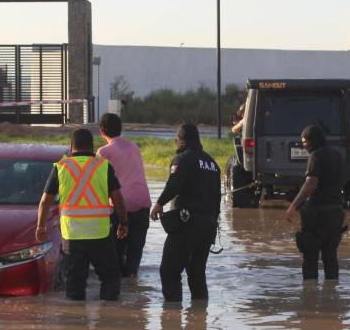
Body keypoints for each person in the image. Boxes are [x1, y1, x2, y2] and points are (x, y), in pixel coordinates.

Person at [36, 128, 129, 301]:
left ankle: (75, 322)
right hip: (100, 234)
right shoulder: (103, 166)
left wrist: (41, 226)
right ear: (92, 147)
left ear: (71, 146)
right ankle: (107, 319)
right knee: (110, 277)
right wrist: (123, 222)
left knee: (74, 282)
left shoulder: (61, 167)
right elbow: (118, 199)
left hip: (72, 235)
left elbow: (44, 202)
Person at [150, 124, 221, 302]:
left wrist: (159, 204)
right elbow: (217, 198)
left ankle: (172, 320)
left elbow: (173, 185)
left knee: (169, 271)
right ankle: (199, 321)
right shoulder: (212, 163)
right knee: (197, 274)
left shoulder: (182, 159)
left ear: (181, 139)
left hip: (187, 225)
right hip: (208, 227)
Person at [285, 124, 347, 281]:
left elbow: (310, 184)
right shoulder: (337, 155)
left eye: (304, 141)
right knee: (330, 255)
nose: (303, 145)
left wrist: (293, 205)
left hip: (318, 214)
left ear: (313, 141)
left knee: (310, 256)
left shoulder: (315, 156)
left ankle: (309, 298)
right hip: (336, 212)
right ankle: (332, 296)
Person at [97, 113, 151, 277]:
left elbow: (99, 184)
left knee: (116, 252)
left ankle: (121, 294)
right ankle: (133, 284)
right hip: (143, 201)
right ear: (121, 129)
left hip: (120, 205)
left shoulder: (103, 152)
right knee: (135, 251)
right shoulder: (134, 146)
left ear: (101, 132)